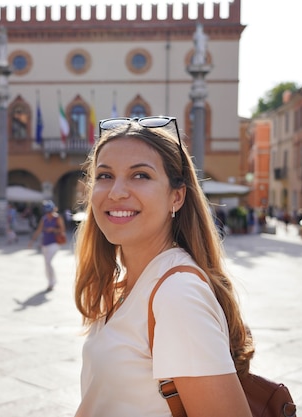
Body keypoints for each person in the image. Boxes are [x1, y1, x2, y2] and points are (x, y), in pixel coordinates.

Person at [73, 116, 254, 417]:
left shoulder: (176, 294)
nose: (116, 191)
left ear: (176, 196)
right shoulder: (125, 286)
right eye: (105, 176)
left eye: (140, 175)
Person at [28, 200, 66, 292]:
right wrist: (32, 241)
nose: (48, 214)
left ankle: (52, 281)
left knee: (49, 262)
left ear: (53, 210)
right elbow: (39, 230)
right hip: (45, 243)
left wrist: (53, 229)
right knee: (46, 264)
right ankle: (50, 281)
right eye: (47, 212)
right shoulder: (44, 218)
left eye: (50, 212)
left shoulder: (57, 218)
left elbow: (62, 230)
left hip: (54, 243)